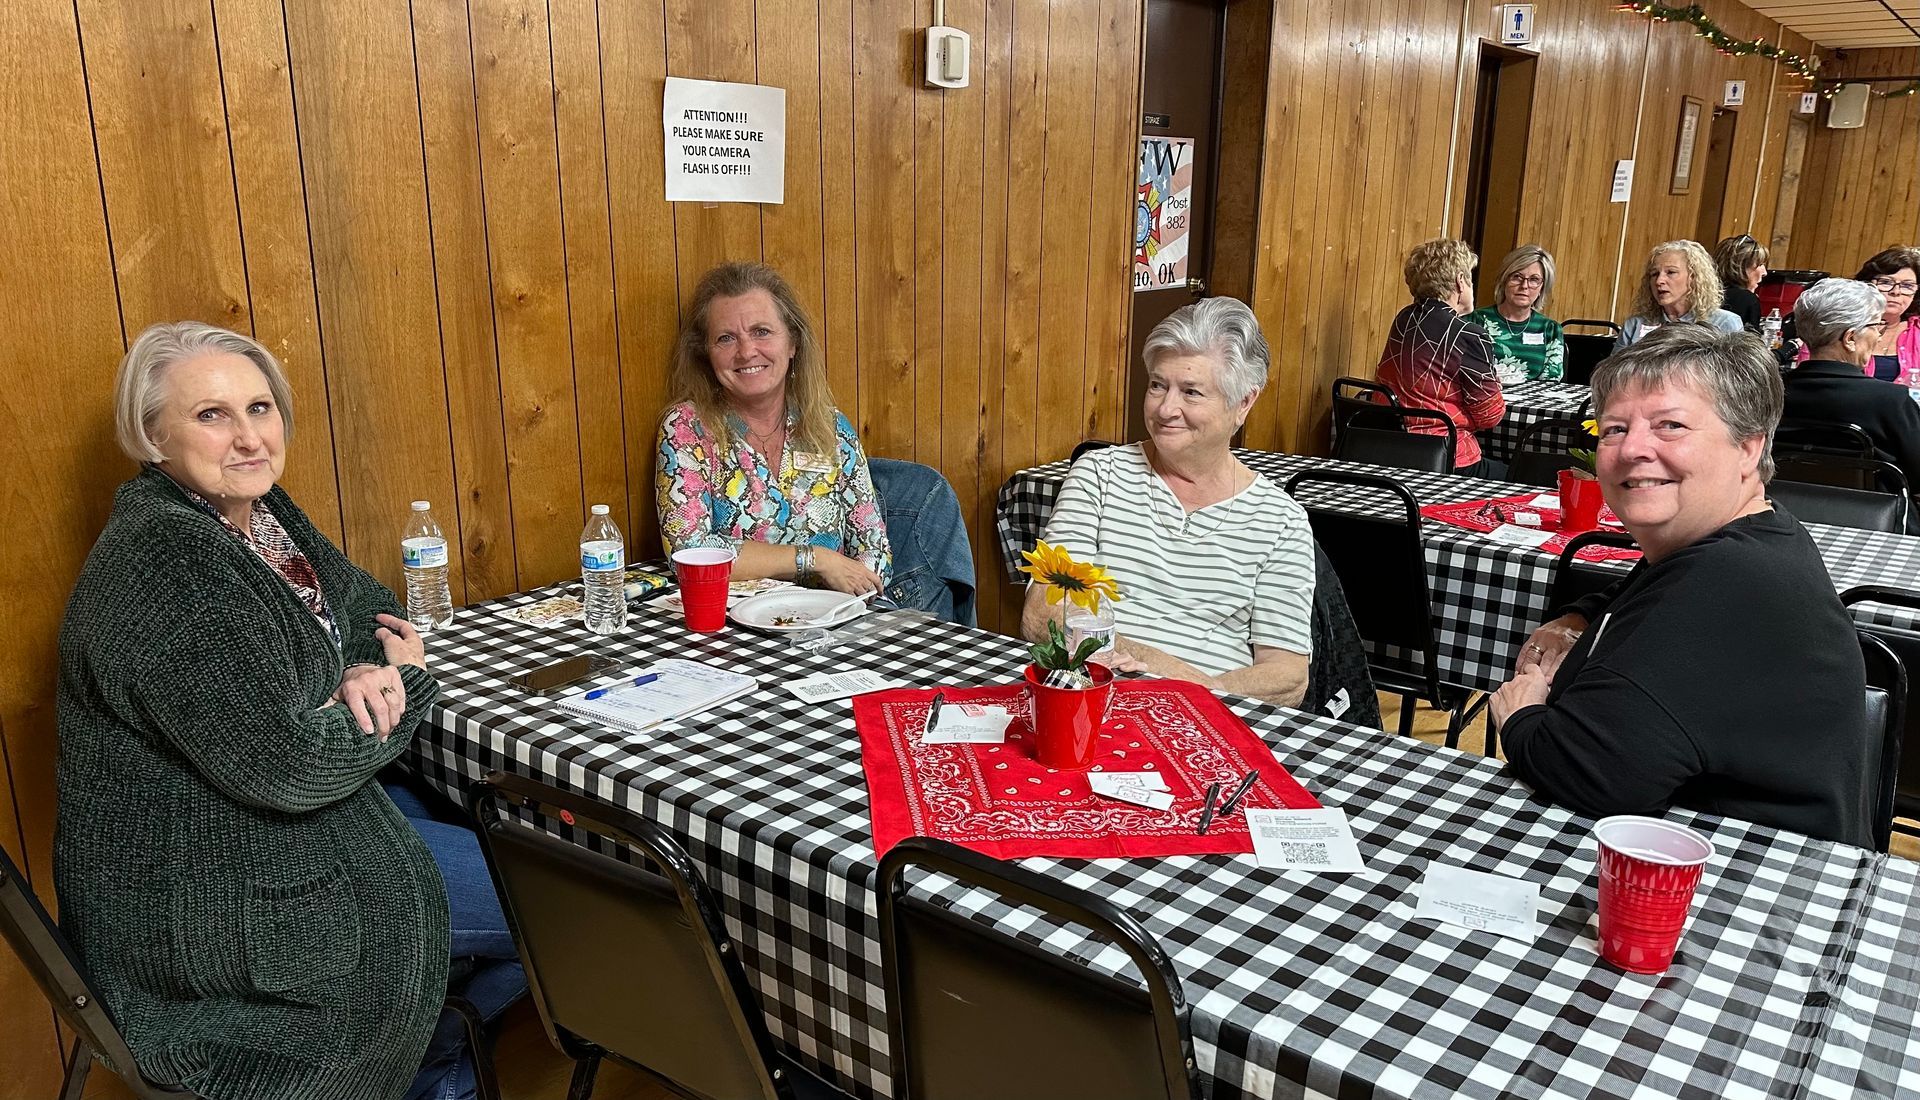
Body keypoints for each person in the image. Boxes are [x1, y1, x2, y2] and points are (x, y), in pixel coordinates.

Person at [55, 322, 520, 1100]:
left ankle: (425, 1068)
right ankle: (433, 1076)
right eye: (211, 415)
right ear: (151, 434)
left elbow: (366, 606)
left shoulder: (255, 517)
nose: (247, 437)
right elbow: (291, 762)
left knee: (503, 832)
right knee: (559, 905)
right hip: (205, 895)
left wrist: (364, 670)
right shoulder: (166, 557)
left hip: (268, 828)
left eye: (260, 408)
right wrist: (402, 685)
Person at [1490, 325, 1871, 848]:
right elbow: (1650, 596)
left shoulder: (1731, 579)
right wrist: (1579, 616)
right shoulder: (1747, 540)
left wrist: (1522, 711)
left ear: (1748, 447)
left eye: (1669, 425)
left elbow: (1590, 772)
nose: (1632, 450)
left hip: (1745, 887)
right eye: (1614, 430)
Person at [1023, 297, 1315, 706]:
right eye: (1158, 385)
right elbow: (1044, 612)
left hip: (1214, 719)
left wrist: (1191, 689)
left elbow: (1286, 676)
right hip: (1092, 699)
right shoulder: (1099, 475)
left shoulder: (1280, 520)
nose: (1165, 408)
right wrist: (1154, 664)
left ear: (1243, 403)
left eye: (1191, 392)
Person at [657, 262, 891, 594]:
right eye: (726, 338)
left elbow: (875, 549)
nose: (746, 351)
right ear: (706, 354)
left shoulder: (830, 426)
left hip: (834, 618)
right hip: (737, 630)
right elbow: (690, 553)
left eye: (761, 332)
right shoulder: (686, 429)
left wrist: (845, 596)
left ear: (792, 343)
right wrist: (814, 559)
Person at [1376, 238, 1507, 477]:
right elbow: (1490, 416)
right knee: (1522, 473)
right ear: (1459, 282)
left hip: (1393, 448)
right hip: (1449, 457)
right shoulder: (1470, 335)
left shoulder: (1403, 319)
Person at [1783, 279, 1920, 491]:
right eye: (1876, 326)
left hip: (1782, 505)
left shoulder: (1772, 390)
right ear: (1850, 338)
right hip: (1871, 516)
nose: (1878, 336)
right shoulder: (1891, 401)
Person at [1615, 240, 1745, 350]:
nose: (1659, 281)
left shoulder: (1723, 323)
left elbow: (1735, 377)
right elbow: (1611, 375)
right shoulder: (1635, 324)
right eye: (1654, 274)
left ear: (1694, 277)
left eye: (1671, 272)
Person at [1469, 245, 1566, 383]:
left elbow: (1550, 382)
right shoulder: (1475, 320)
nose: (1524, 286)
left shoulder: (1550, 329)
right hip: (1484, 399)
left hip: (1530, 402)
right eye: (1517, 277)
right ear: (1504, 280)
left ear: (1542, 288)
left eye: (1534, 280)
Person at [1850, 246, 1920, 385]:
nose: (1896, 292)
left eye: (1907, 285)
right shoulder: (1838, 327)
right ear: (1867, 284)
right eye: (1886, 282)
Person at [1713, 233, 1769, 330]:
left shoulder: (1702, 294)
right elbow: (1751, 344)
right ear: (1741, 267)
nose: (1765, 272)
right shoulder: (1748, 300)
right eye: (1760, 264)